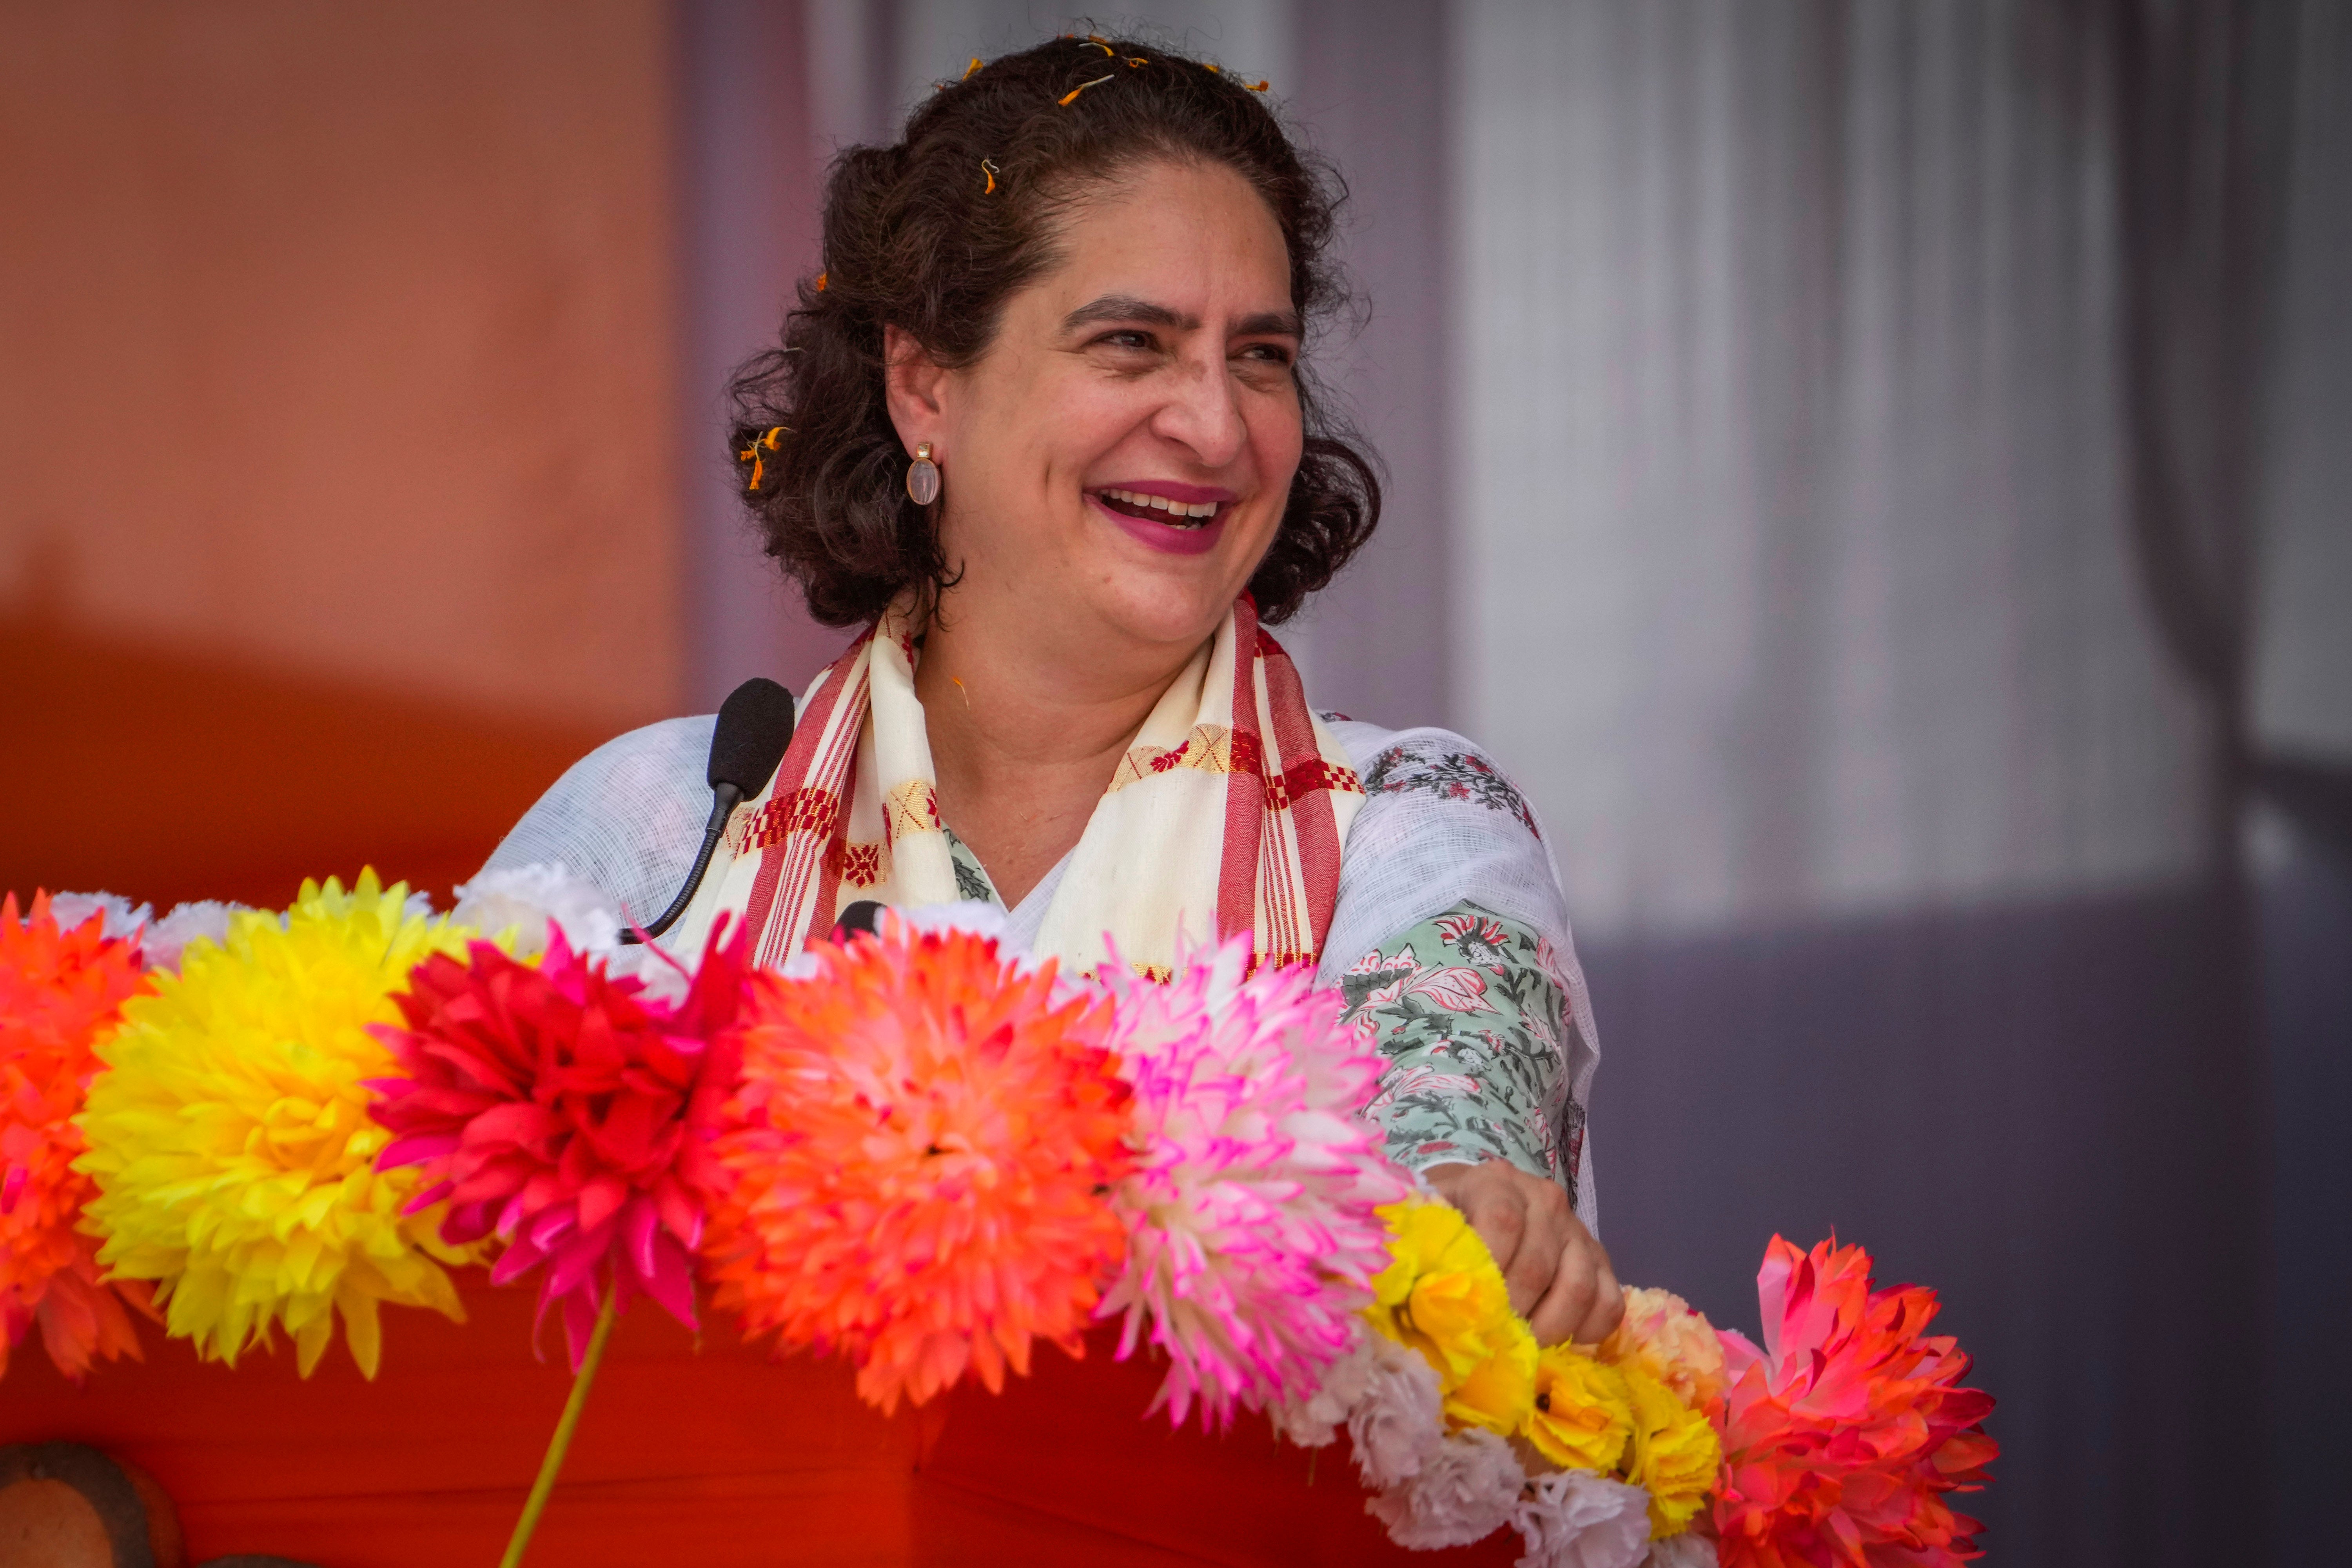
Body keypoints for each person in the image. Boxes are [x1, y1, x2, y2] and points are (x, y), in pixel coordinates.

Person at [486, 34, 1621, 1349]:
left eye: (1259, 356)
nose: (1215, 425)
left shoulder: (1407, 827)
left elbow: (1445, 1190)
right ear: (925, 385)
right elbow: (422, 1166)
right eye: (1132, 343)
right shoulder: (666, 822)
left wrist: (1472, 1214)